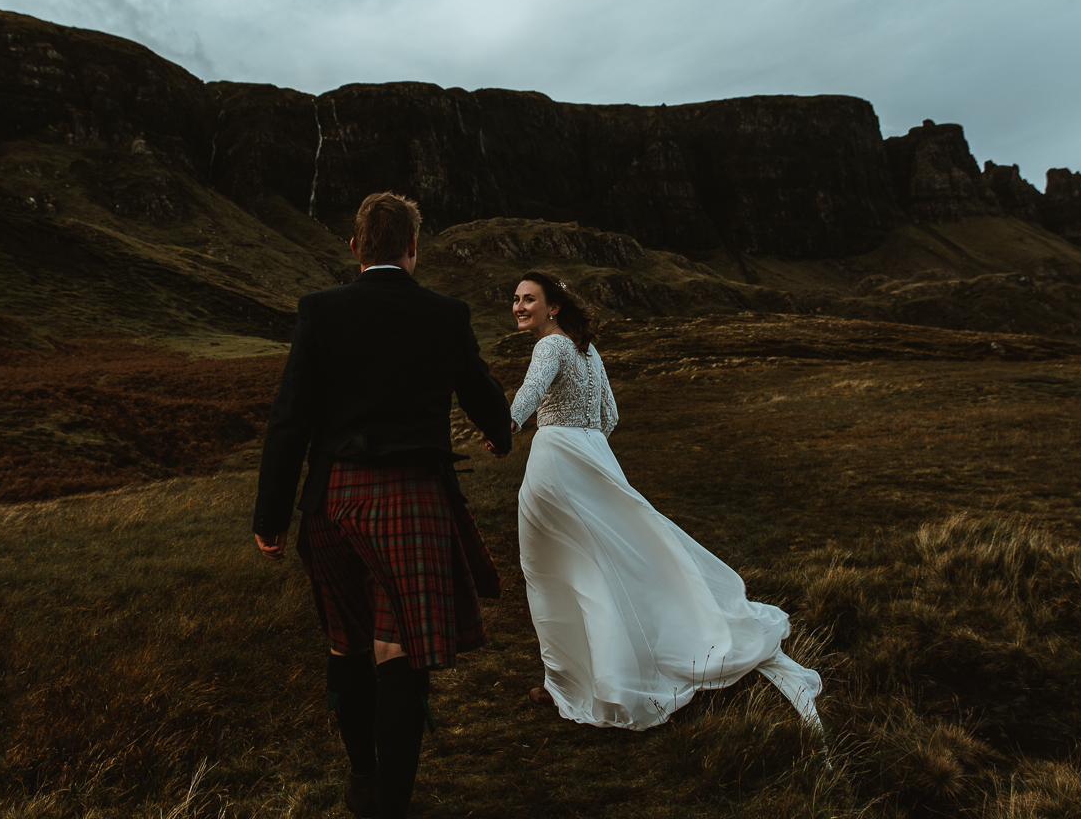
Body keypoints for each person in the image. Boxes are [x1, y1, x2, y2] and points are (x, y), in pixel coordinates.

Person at [253, 191, 514, 819]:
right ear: (413, 248)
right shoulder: (444, 314)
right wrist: (500, 432)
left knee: (347, 643)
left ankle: (364, 777)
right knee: (397, 650)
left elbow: (290, 419)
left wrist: (270, 516)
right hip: (411, 501)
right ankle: (391, 803)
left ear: (354, 248)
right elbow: (479, 391)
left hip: (332, 502)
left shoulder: (319, 311)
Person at [488, 270, 822, 731]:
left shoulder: (550, 346)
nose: (519, 307)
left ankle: (569, 681)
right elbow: (610, 415)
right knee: (606, 566)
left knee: (553, 572)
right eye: (516, 298)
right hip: (594, 457)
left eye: (528, 299)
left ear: (553, 307)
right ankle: (591, 674)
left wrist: (505, 427)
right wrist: (589, 449)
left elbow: (528, 393)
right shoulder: (589, 350)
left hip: (556, 463)